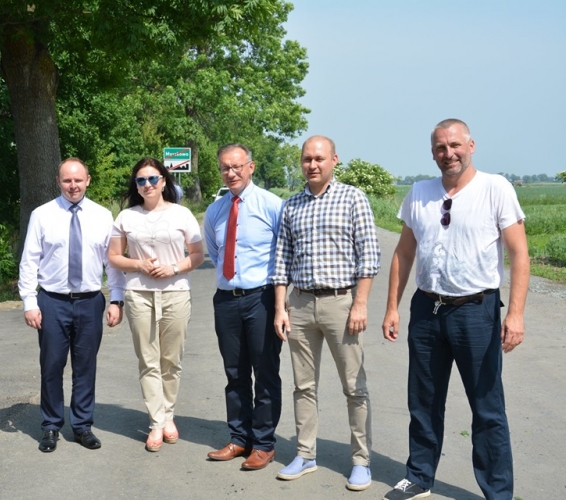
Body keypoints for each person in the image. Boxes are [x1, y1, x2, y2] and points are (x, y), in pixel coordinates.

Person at [381, 119, 529, 500]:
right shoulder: (419, 192)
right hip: (427, 309)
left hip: (475, 311)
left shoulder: (495, 188)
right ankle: (419, 476)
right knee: (424, 399)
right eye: (440, 148)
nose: (448, 154)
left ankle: (498, 491)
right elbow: (404, 252)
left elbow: (519, 254)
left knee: (487, 405)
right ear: (433, 153)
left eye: (454, 145)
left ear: (471, 145)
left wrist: (515, 314)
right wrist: (392, 308)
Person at [272, 136, 381, 489]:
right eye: (306, 159)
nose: (312, 165)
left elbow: (369, 256)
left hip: (341, 303)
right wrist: (280, 308)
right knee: (303, 385)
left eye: (319, 158)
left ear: (334, 160)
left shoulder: (353, 198)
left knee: (354, 386)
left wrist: (360, 304)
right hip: (300, 304)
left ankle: (361, 461)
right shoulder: (291, 206)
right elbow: (281, 261)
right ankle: (305, 454)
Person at [18, 158, 125, 453]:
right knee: (51, 365)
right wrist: (29, 301)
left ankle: (82, 426)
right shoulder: (42, 215)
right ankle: (51, 425)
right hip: (52, 301)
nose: (73, 185)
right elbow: (29, 261)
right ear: (58, 181)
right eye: (67, 180)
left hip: (90, 301)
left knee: (85, 367)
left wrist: (117, 299)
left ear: (88, 180)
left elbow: (112, 263)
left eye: (78, 180)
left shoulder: (103, 216)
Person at [108, 158, 204, 452]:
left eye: (152, 179)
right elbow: (114, 256)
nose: (147, 185)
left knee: (171, 361)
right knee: (148, 361)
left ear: (164, 181)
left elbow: (197, 254)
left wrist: (174, 268)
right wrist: (137, 264)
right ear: (135, 185)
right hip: (139, 294)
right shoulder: (126, 217)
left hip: (175, 293)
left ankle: (169, 414)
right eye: (140, 180)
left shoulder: (182, 214)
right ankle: (156, 422)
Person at [203, 143, 284, 470]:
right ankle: (239, 438)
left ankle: (263, 443)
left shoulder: (272, 205)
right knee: (234, 373)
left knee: (265, 373)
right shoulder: (216, 210)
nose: (231, 173)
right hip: (226, 301)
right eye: (225, 168)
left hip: (261, 298)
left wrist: (281, 303)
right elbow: (214, 250)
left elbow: (284, 254)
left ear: (251, 167)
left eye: (237, 166)